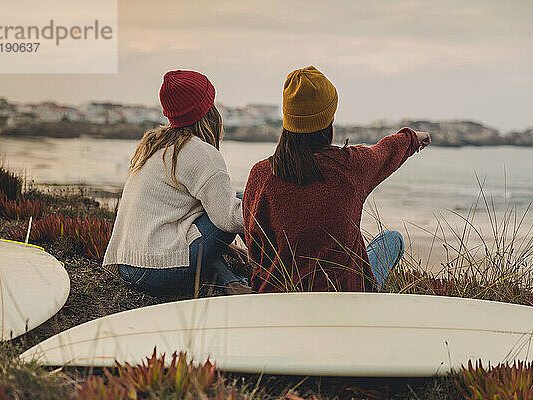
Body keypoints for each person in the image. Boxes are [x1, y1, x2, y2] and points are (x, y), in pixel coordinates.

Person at [242, 66, 431, 293]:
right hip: (346, 296)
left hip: (277, 295)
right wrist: (413, 138)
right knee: (392, 240)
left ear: (288, 118)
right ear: (329, 117)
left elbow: (255, 247)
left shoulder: (261, 175)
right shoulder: (352, 165)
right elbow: (387, 151)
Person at [103, 70, 251, 296]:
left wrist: (224, 247)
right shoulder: (200, 152)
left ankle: (230, 282)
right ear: (208, 110)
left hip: (127, 267)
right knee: (241, 203)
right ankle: (269, 271)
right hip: (159, 272)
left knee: (210, 209)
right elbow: (229, 219)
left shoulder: (154, 146)